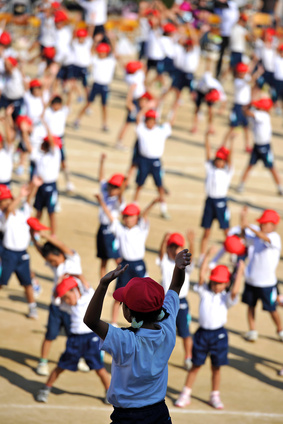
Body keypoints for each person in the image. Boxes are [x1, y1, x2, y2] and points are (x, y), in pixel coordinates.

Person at [83, 249, 191, 423]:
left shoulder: (126, 340)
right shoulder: (168, 324)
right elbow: (176, 287)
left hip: (126, 418)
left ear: (128, 313)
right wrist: (179, 268)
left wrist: (103, 285)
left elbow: (91, 321)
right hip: (159, 415)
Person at [175, 248, 244, 409]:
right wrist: (206, 256)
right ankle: (185, 394)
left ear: (226, 283)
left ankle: (214, 395)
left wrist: (240, 271)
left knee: (216, 368)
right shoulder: (204, 291)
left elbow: (235, 291)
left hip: (219, 335)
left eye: (220, 283)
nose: (216, 285)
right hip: (201, 334)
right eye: (214, 281)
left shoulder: (226, 298)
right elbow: (201, 275)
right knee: (195, 365)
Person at [36, 275, 110, 403]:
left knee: (100, 369)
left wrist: (79, 276)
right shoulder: (67, 306)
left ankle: (109, 393)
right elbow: (55, 300)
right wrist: (59, 284)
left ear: (75, 290)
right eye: (64, 298)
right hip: (74, 340)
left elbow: (87, 287)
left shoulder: (87, 298)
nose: (66, 300)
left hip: (91, 339)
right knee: (60, 366)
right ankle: (46, 389)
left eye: (67, 296)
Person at [30, 228, 89, 376]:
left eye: (53, 260)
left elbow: (62, 245)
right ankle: (43, 361)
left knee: (75, 336)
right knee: (50, 335)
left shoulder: (73, 259)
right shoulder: (56, 265)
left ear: (60, 255)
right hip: (57, 307)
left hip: (73, 308)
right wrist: (33, 236)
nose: (52, 263)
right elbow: (41, 252)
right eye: (49, 261)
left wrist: (46, 237)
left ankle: (79, 358)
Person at [95, 197, 160, 326]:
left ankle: (140, 319)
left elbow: (144, 215)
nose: (127, 219)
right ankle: (114, 321)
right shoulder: (120, 229)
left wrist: (152, 203)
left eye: (131, 216)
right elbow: (111, 218)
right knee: (120, 293)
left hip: (139, 264)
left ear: (136, 217)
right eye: (125, 216)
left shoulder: (141, 229)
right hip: (125, 265)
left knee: (142, 294)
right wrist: (102, 202)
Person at [0, 178, 42, 319]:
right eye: (3, 201)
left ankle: (32, 308)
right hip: (8, 255)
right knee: (1, 282)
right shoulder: (3, 217)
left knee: (27, 284)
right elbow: (11, 208)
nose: (7, 203)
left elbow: (28, 200)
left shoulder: (22, 213)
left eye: (8, 200)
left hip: (22, 254)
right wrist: (20, 196)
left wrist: (34, 186)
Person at [240, 208, 283, 342]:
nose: (261, 225)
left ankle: (280, 330)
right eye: (261, 223)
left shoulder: (274, 238)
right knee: (250, 306)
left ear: (273, 225)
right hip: (251, 280)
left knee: (272, 309)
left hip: (267, 283)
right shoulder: (256, 238)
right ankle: (252, 330)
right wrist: (243, 223)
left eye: (265, 223)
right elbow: (244, 238)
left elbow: (265, 238)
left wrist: (249, 227)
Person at [157, 230, 195, 370]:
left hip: (181, 302)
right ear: (168, 248)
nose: (175, 249)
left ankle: (188, 357)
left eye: (177, 246)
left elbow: (192, 257)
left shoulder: (185, 263)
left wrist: (191, 243)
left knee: (185, 332)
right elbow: (160, 255)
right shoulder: (165, 262)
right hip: (165, 302)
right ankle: (160, 357)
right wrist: (163, 241)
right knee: (162, 331)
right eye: (172, 246)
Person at [236, 97, 283, 196]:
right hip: (257, 146)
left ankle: (280, 187)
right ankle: (241, 184)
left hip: (265, 147)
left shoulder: (263, 115)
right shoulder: (258, 114)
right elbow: (246, 113)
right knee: (250, 165)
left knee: (271, 167)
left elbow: (248, 112)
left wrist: (250, 104)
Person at [199, 132, 233, 263]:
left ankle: (232, 254)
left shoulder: (227, 172)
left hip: (221, 202)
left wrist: (231, 142)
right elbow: (207, 152)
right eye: (217, 159)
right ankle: (202, 256)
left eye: (221, 160)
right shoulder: (210, 169)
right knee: (206, 231)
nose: (219, 162)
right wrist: (206, 137)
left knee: (226, 230)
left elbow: (231, 157)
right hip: (209, 201)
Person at [134, 109, 172, 219]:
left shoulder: (160, 131)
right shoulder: (141, 130)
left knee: (160, 186)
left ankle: (163, 208)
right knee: (139, 184)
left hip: (156, 161)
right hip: (143, 161)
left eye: (152, 120)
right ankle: (135, 204)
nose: (150, 123)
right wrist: (145, 108)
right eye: (148, 120)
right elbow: (137, 118)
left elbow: (169, 123)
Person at [73, 42, 116, 131]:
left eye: (103, 52)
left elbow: (115, 52)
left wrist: (112, 40)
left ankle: (104, 124)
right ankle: (77, 120)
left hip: (105, 86)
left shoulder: (111, 61)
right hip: (96, 85)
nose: (101, 54)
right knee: (88, 103)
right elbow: (90, 53)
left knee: (104, 106)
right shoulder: (95, 60)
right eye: (99, 52)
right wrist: (95, 42)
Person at [96, 153, 125, 278]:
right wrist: (102, 162)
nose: (111, 187)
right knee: (103, 259)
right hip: (102, 228)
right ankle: (102, 285)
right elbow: (101, 178)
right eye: (111, 185)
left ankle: (125, 279)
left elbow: (119, 196)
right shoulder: (105, 191)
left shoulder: (119, 201)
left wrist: (101, 202)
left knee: (117, 258)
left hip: (111, 230)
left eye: (115, 186)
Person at [43, 94, 74, 192]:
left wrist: (70, 92)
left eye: (58, 104)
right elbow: (42, 113)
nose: (56, 107)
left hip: (59, 139)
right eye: (54, 104)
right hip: (49, 139)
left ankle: (68, 182)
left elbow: (68, 103)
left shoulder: (63, 112)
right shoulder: (48, 112)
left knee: (63, 162)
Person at [33, 131, 61, 235]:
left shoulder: (55, 154)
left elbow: (53, 144)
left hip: (50, 187)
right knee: (38, 211)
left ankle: (53, 234)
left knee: (51, 212)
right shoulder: (40, 157)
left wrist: (46, 125)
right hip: (40, 186)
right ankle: (35, 233)